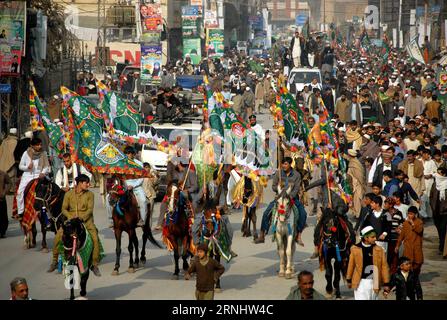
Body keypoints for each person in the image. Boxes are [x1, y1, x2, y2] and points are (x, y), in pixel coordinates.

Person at [48, 174, 101, 276]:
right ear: (80, 183)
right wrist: (70, 216)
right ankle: (54, 261)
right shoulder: (68, 194)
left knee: (95, 239)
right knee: (57, 237)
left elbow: (90, 210)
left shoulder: (90, 195)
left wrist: (81, 218)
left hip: (86, 221)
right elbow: (64, 209)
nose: (88, 184)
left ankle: (94, 264)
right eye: (86, 182)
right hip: (71, 221)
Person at [255, 157, 306, 244]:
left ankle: (299, 235)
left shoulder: (296, 175)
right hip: (279, 198)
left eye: (286, 164)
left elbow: (296, 189)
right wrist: (278, 187)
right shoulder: (278, 173)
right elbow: (273, 186)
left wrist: (289, 196)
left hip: (292, 199)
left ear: (290, 164)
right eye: (283, 164)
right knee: (266, 213)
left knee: (303, 214)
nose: (284, 166)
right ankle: (262, 234)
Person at [346, 226, 391, 300]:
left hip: (375, 282)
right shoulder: (355, 249)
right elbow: (351, 265)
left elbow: (384, 267)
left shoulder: (379, 250)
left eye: (375, 237)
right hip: (360, 283)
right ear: (366, 238)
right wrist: (349, 279)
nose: (375, 239)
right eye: (372, 237)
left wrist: (386, 283)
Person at [16, 138, 50, 218]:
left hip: (39, 175)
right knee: (19, 192)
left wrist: (43, 172)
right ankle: (20, 212)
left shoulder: (43, 153)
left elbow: (46, 166)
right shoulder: (26, 153)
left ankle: (48, 214)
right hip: (28, 175)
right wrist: (27, 167)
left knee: (47, 192)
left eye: (40, 144)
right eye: (37, 145)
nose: (39, 146)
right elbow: (20, 166)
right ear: (32, 145)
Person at [395, 206, 424, 276]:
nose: (409, 216)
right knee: (408, 263)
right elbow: (401, 236)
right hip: (408, 247)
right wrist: (397, 246)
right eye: (408, 214)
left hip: (417, 247)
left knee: (418, 263)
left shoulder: (419, 222)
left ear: (415, 214)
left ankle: (415, 276)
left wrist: (413, 224)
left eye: (411, 214)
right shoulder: (405, 223)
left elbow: (419, 230)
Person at [123, 146, 147, 227]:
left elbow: (141, 178)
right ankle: (111, 220)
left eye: (130, 153)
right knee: (110, 199)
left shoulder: (139, 164)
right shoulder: (122, 164)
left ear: (133, 154)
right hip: (125, 186)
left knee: (143, 201)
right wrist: (126, 185)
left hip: (137, 187)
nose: (128, 155)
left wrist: (133, 185)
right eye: (126, 153)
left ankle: (142, 220)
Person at [430, 167, 447, 257]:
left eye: (439, 173)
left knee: (443, 228)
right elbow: (431, 196)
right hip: (436, 211)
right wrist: (432, 206)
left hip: (445, 212)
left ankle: (442, 247)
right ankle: (441, 243)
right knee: (439, 229)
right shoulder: (435, 184)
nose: (437, 175)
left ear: (444, 175)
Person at [0, 128, 18, 192]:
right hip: (12, 160)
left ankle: (3, 188)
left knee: (4, 174)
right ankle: (11, 189)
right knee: (11, 175)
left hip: (3, 160)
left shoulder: (4, 141)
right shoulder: (15, 142)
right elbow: (15, 152)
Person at [0, 170, 12, 238]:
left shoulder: (3, 174)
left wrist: (4, 192)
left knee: (3, 216)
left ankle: (2, 232)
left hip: (1, 198)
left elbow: (9, 183)